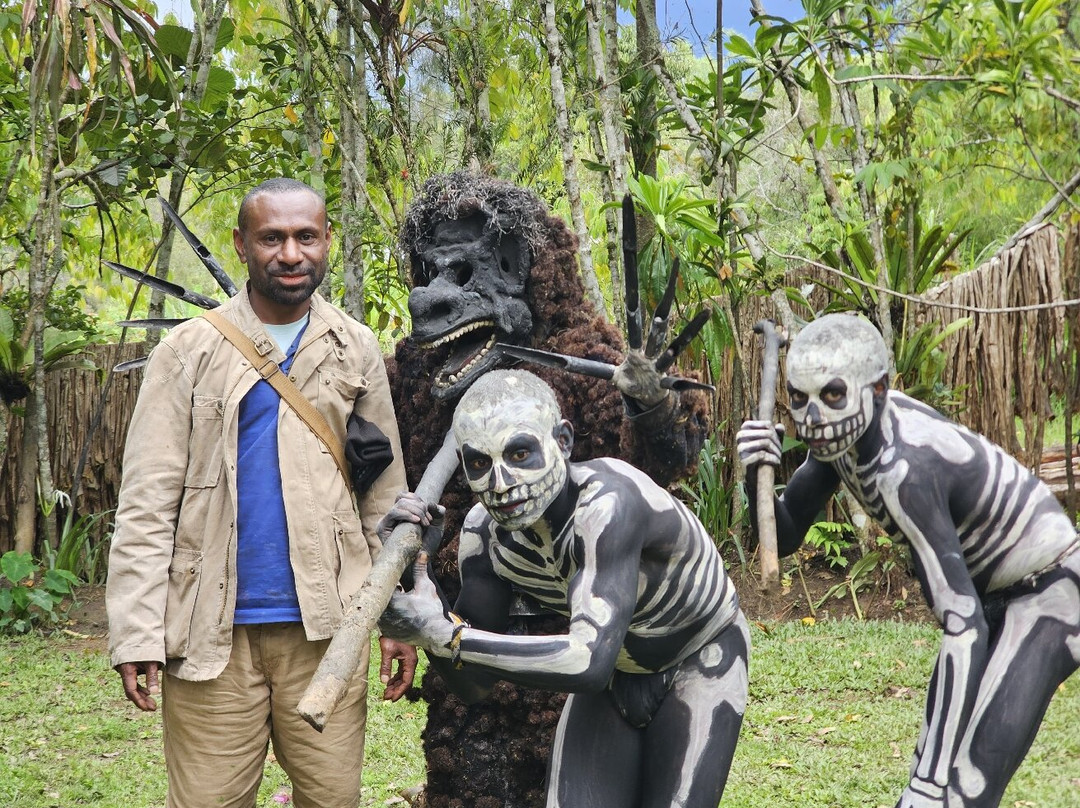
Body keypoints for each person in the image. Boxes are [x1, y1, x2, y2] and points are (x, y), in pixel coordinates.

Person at [106, 178, 416, 808]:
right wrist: (136, 632)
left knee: (332, 799)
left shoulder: (354, 347)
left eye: (306, 237)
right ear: (242, 244)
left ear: (328, 241)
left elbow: (385, 499)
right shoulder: (187, 351)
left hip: (328, 632)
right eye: (272, 238)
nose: (291, 254)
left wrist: (397, 614)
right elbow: (146, 504)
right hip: (209, 635)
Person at [736, 313, 1080, 808]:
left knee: (964, 788)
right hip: (989, 595)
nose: (812, 419)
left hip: (1050, 591)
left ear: (877, 390)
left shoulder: (905, 469)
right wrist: (757, 473)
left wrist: (927, 783)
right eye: (799, 399)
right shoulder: (842, 438)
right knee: (941, 780)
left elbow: (962, 625)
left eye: (832, 395)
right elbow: (786, 535)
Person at [380, 369, 749, 808]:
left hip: (699, 654)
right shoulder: (485, 535)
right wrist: (418, 574)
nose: (501, 484)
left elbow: (588, 662)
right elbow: (473, 684)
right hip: (614, 669)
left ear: (563, 441)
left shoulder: (607, 505)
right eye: (480, 464)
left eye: (519, 453)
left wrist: (446, 635)